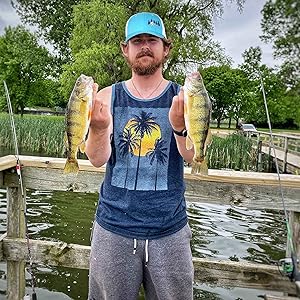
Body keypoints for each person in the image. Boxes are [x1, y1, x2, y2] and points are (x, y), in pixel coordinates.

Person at [86, 11, 195, 300]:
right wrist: (97, 129)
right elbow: (97, 159)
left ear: (166, 48)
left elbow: (193, 156)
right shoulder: (105, 97)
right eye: (137, 41)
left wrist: (181, 128)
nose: (144, 46)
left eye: (152, 40)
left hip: (170, 231)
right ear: (126, 49)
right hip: (113, 229)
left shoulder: (185, 97)